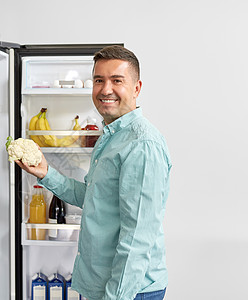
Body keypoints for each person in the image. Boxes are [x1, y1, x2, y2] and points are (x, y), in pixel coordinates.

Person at [16, 45, 171, 300]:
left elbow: (137, 238)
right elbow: (94, 196)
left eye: (116, 80)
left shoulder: (142, 144)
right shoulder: (111, 136)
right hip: (107, 284)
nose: (105, 89)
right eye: (99, 80)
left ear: (136, 88)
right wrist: (46, 173)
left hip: (129, 291)